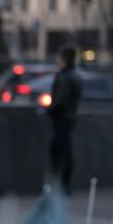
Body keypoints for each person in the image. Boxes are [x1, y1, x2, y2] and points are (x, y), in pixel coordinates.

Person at [47, 45, 83, 195]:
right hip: (68, 118)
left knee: (59, 151)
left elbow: (61, 99)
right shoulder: (74, 75)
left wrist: (51, 110)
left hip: (62, 118)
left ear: (64, 58)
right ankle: (62, 184)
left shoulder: (65, 76)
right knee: (64, 150)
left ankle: (59, 185)